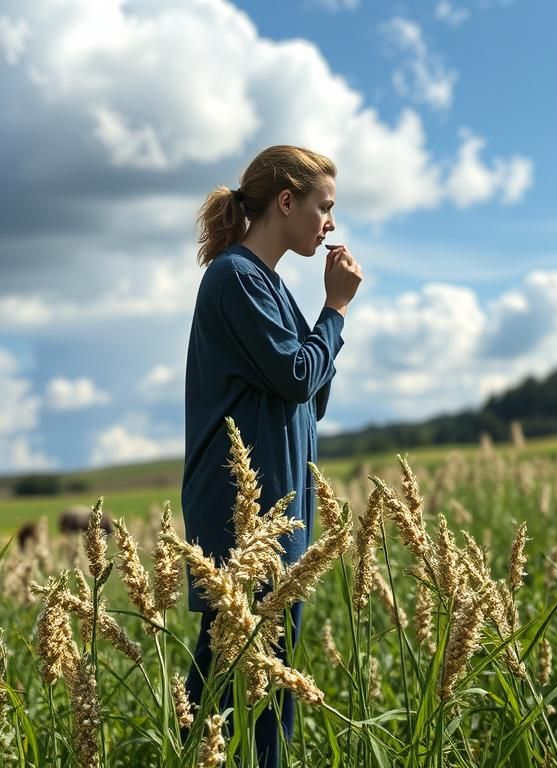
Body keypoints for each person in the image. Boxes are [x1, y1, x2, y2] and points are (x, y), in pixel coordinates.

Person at [181, 145, 362, 766]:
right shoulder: (235, 277)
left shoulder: (272, 288)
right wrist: (335, 310)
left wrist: (322, 324)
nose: (329, 222)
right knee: (234, 687)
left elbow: (312, 397)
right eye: (324, 206)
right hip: (243, 515)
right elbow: (295, 374)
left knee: (255, 685)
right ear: (286, 202)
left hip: (278, 515)